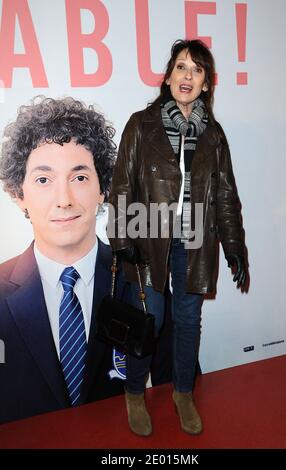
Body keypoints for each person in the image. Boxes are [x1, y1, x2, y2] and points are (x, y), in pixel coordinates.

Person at [108, 39, 247, 437]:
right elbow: (121, 185)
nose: (187, 76)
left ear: (206, 83)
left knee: (188, 320)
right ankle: (135, 392)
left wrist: (234, 246)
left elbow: (224, 195)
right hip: (147, 233)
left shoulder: (214, 135)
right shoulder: (141, 124)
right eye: (181, 68)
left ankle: (183, 392)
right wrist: (121, 235)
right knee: (148, 320)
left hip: (195, 238)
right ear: (168, 77)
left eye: (196, 70)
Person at [0, 96, 129, 424]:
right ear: (19, 195)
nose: (64, 199)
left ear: (102, 189)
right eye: (44, 180)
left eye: (80, 177)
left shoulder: (141, 280)